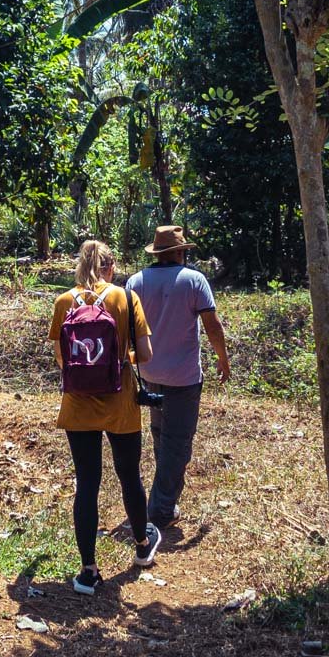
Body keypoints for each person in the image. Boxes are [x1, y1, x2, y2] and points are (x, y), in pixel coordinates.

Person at [48, 240, 161, 595]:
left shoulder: (64, 301)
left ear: (80, 267)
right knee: (129, 475)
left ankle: (88, 571)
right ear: (111, 267)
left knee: (87, 483)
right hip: (121, 403)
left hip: (78, 406)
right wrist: (118, 357)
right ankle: (142, 546)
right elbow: (144, 354)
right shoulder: (125, 298)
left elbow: (62, 360)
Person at [127, 226, 230, 529]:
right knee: (178, 442)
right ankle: (159, 510)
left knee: (162, 435)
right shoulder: (194, 280)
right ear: (181, 251)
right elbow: (212, 325)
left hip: (149, 372)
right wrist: (222, 358)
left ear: (157, 253)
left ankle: (165, 501)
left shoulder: (135, 282)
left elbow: (126, 327)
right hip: (183, 376)